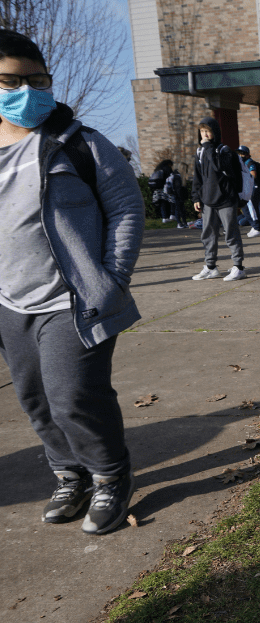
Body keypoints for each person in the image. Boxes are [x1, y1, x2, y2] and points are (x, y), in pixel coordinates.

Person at [0, 29, 145, 534]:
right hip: (9, 303)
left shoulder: (78, 142)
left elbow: (126, 207)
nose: (28, 90)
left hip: (73, 298)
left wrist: (112, 276)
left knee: (73, 395)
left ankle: (110, 475)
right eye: (12, 80)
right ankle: (69, 474)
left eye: (38, 79)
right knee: (35, 400)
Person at [191, 116, 247, 281]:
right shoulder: (200, 152)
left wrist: (208, 147)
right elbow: (197, 178)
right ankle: (211, 267)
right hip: (208, 200)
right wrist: (196, 197)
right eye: (202, 131)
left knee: (231, 233)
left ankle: (238, 267)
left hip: (226, 199)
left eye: (207, 131)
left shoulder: (224, 150)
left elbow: (219, 166)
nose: (205, 134)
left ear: (214, 132)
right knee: (208, 235)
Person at [237, 145, 260, 237]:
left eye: (242, 153)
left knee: (252, 207)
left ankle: (257, 227)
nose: (240, 155)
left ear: (247, 154)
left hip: (253, 187)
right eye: (239, 153)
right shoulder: (242, 163)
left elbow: (253, 175)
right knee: (245, 208)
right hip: (247, 188)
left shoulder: (249, 162)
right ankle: (253, 225)